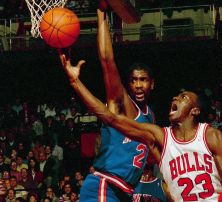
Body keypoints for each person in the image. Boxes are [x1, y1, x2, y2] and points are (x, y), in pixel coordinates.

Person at [58, 55, 222, 201]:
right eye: (175, 97)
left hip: (124, 190)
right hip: (110, 183)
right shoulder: (159, 135)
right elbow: (109, 116)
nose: (175, 99)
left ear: (195, 110)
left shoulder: (211, 135)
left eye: (183, 97)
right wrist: (76, 83)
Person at [69, 2, 155, 201]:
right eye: (134, 80)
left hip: (123, 191)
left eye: (143, 80)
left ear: (152, 84)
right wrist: (101, 14)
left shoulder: (150, 115)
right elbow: (108, 61)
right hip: (105, 184)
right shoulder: (122, 104)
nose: (138, 85)